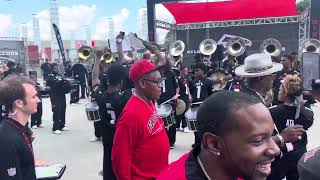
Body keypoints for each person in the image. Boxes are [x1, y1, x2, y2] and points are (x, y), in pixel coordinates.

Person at [157, 91, 280, 180]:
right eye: (258, 140)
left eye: (271, 135)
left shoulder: (239, 168)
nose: (276, 150)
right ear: (214, 144)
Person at [235, 53, 306, 156]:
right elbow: (249, 143)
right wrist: (282, 137)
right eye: (272, 75)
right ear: (260, 78)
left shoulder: (252, 98)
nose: (274, 78)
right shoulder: (251, 104)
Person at [112, 60, 170, 180]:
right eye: (157, 82)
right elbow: (120, 158)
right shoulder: (130, 115)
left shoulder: (149, 101)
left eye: (161, 80)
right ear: (143, 83)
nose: (161, 86)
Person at [267, 75, 314, 180]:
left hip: (280, 156)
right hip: (299, 155)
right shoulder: (308, 113)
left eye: (280, 89)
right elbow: (308, 124)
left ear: (285, 93)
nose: (278, 92)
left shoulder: (272, 111)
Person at [0, 75, 40, 180]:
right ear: (19, 103)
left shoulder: (21, 129)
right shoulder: (7, 139)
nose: (38, 100)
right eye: (33, 97)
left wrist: (31, 164)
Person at [93, 62, 129, 180]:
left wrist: (97, 58)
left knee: (108, 165)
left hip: (107, 137)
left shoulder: (101, 96)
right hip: (121, 138)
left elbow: (94, 79)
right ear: (121, 82)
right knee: (123, 167)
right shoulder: (125, 97)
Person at [189, 62, 214, 147]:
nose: (195, 72)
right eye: (195, 70)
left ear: (202, 71)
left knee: (203, 125)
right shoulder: (193, 82)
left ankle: (203, 142)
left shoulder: (209, 82)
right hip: (195, 105)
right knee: (195, 125)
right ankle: (197, 142)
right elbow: (191, 93)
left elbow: (211, 94)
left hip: (204, 106)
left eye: (197, 70)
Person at [157, 61, 179, 149]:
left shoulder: (171, 73)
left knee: (172, 122)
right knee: (162, 122)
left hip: (170, 100)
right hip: (160, 101)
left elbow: (177, 87)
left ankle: (172, 141)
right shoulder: (156, 74)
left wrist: (176, 96)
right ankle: (164, 140)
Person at [46, 63, 69, 134]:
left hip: (61, 95)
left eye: (57, 68)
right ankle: (55, 127)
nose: (56, 69)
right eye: (55, 68)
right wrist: (49, 89)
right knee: (57, 110)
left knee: (63, 109)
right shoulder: (50, 76)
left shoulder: (60, 76)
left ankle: (62, 125)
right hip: (55, 95)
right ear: (52, 69)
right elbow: (48, 86)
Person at [176, 66, 192, 132]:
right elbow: (177, 87)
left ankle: (185, 126)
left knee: (186, 111)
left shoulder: (188, 78)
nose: (186, 72)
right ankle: (177, 125)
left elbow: (189, 88)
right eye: (185, 71)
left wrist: (190, 96)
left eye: (187, 71)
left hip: (187, 96)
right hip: (181, 96)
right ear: (181, 71)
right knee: (180, 111)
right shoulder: (179, 79)